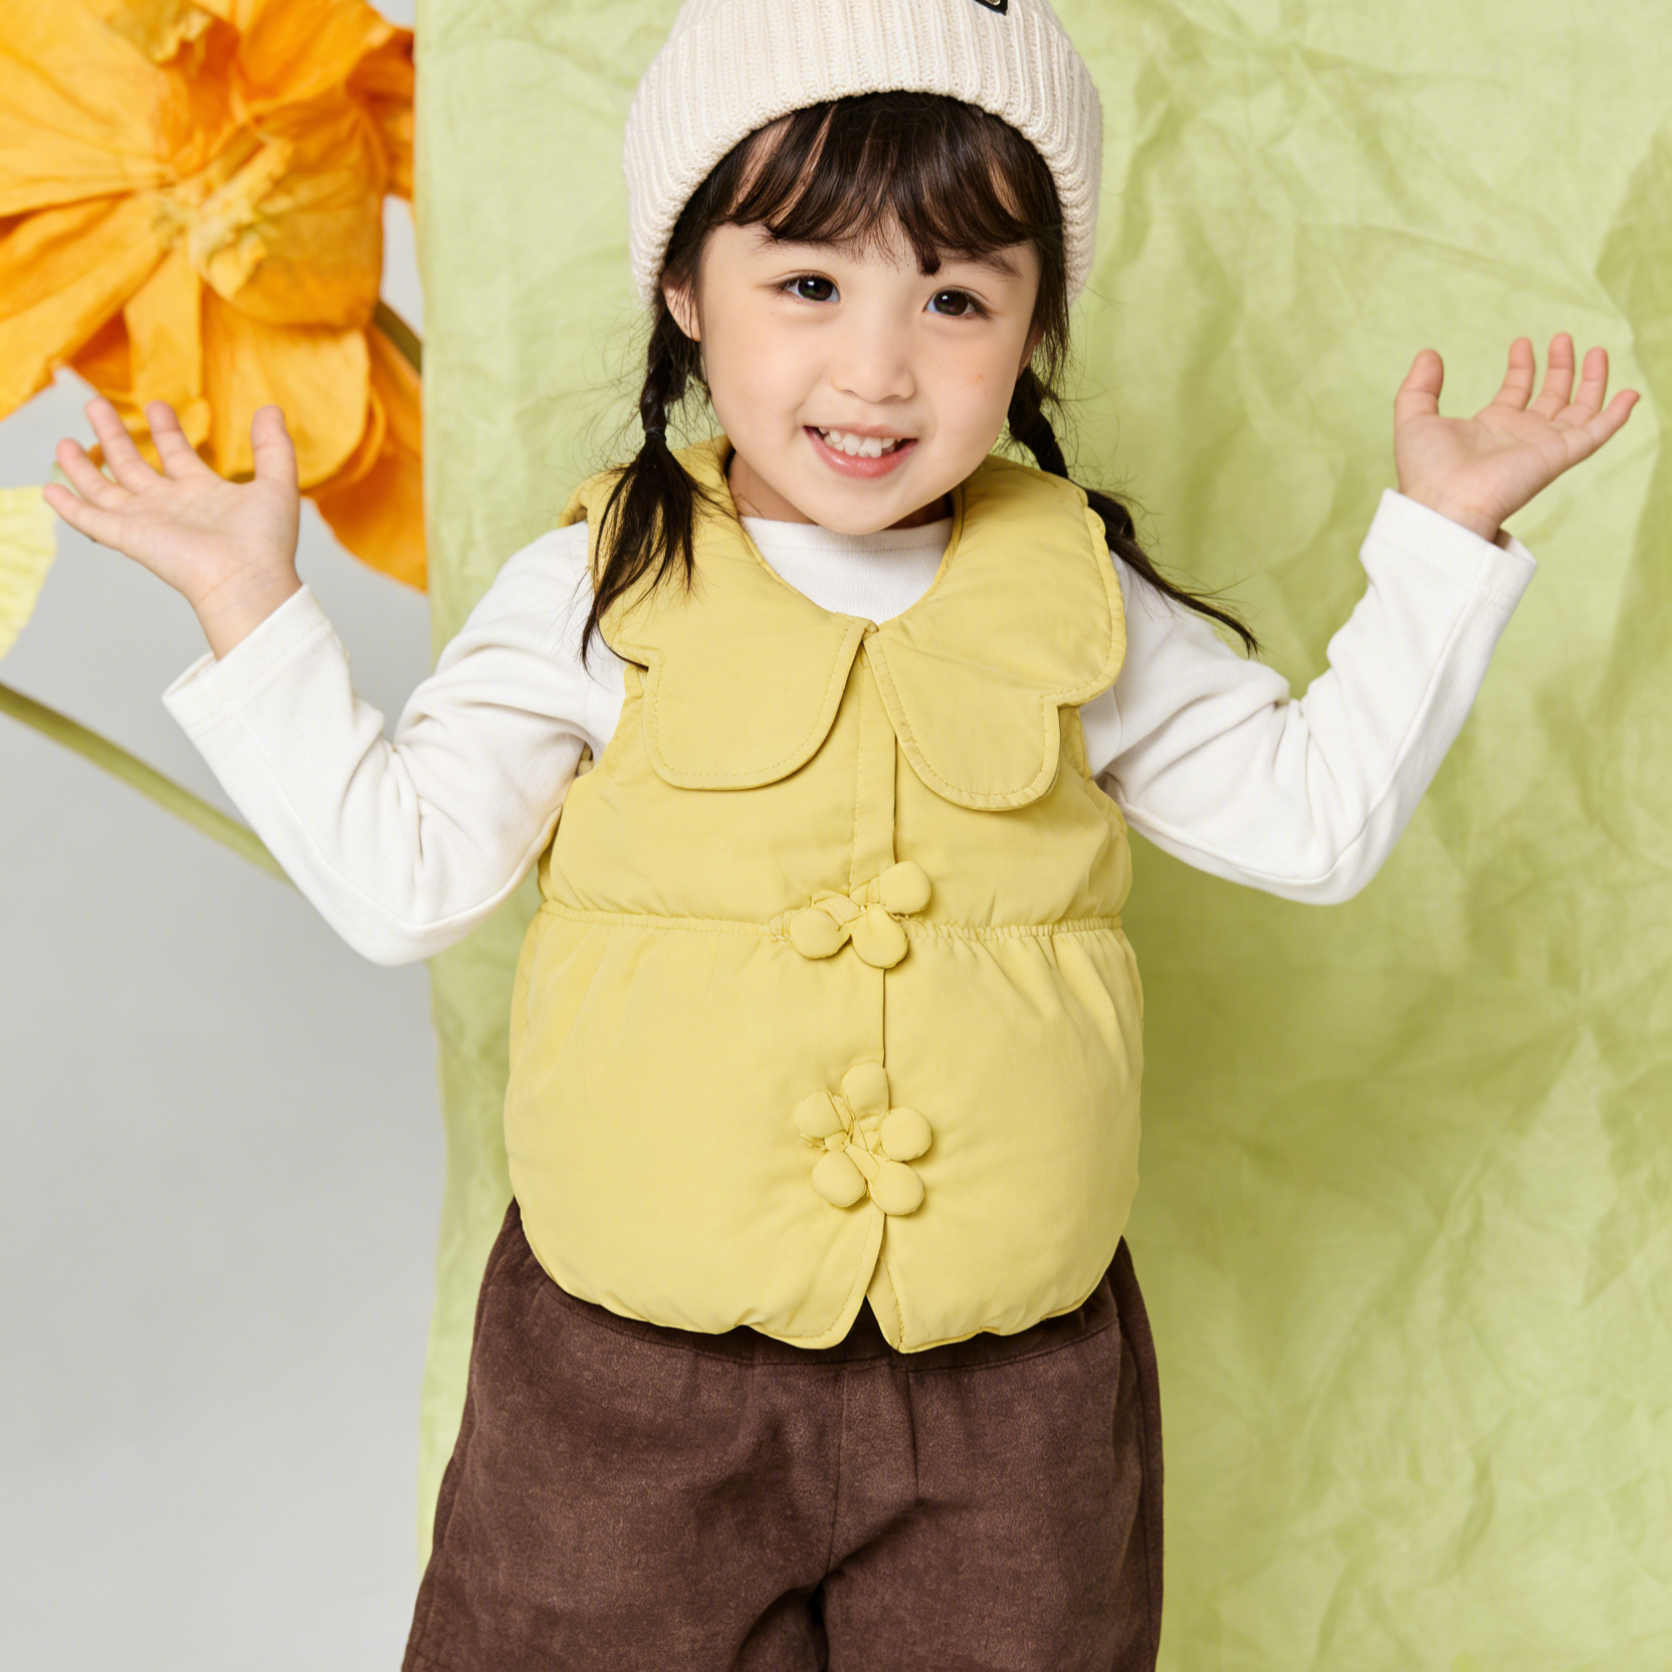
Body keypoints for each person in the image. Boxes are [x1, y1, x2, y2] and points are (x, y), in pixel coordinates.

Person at [41, 2, 1636, 1666]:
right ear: (685, 288)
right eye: (808, 284)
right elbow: (403, 883)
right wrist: (249, 605)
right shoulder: (599, 580)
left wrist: (1444, 545)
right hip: (627, 1383)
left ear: (1035, 327)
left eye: (955, 299)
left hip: (1010, 1400)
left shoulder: (1078, 591)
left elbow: (1311, 825)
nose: (878, 369)